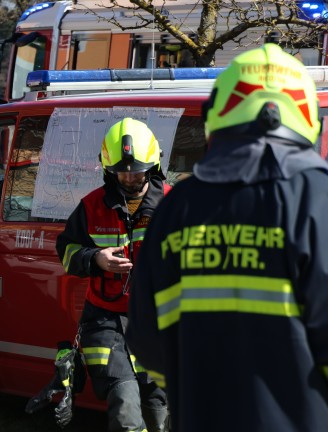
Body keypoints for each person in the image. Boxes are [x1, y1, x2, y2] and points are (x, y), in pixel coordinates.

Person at [126, 43, 328, 431]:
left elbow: (146, 339)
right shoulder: (318, 202)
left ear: (216, 115)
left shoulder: (173, 209)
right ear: (309, 118)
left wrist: (197, 390)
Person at [56, 117, 170, 432]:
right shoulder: (91, 207)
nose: (130, 177)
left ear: (153, 166)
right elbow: (66, 251)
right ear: (108, 169)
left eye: (137, 171)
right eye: (122, 172)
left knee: (159, 409)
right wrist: (96, 259)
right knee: (124, 405)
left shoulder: (175, 205)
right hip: (105, 322)